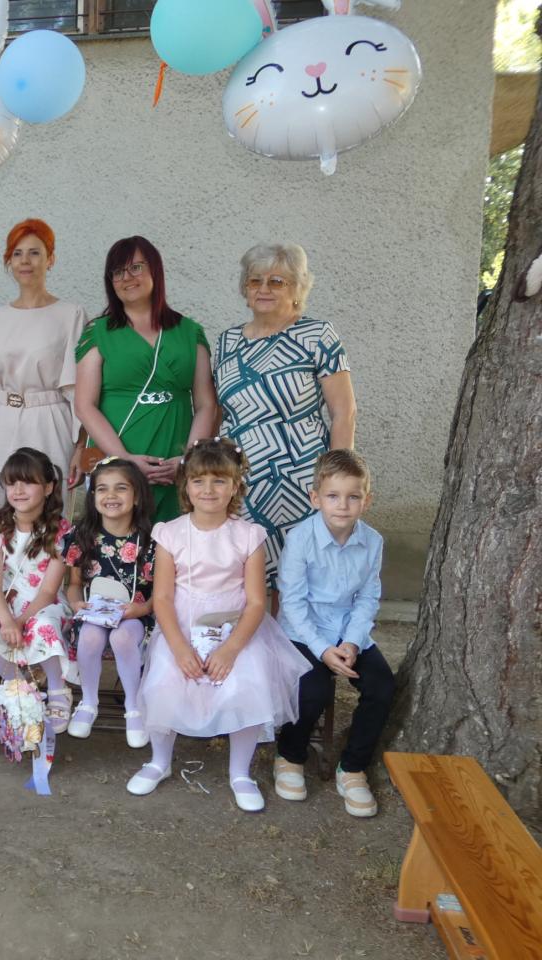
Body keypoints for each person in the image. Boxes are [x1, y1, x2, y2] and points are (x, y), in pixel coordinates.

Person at [129, 438, 309, 812]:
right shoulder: (170, 533)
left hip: (235, 629)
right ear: (186, 486)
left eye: (219, 481)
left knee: (247, 681)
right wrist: (179, 647)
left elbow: (257, 602)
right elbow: (162, 598)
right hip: (180, 626)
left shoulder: (249, 536)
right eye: (199, 481)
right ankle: (159, 761)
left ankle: (239, 772)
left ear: (235, 486)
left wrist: (230, 649)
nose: (208, 490)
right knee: (165, 678)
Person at [213, 243, 357, 587]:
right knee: (242, 578)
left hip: (301, 480)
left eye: (277, 281)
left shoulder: (317, 335)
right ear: (245, 289)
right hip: (239, 480)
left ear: (297, 289)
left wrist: (336, 481)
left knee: (298, 580)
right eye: (255, 281)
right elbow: (218, 412)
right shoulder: (227, 341)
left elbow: (344, 412)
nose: (264, 289)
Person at [273, 450, 393, 817]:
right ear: (315, 498)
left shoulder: (373, 541)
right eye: (333, 496)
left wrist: (352, 642)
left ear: (366, 501)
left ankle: (352, 767)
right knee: (313, 689)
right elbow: (293, 603)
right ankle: (290, 755)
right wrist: (324, 649)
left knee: (382, 686)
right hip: (304, 631)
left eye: (353, 496)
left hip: (348, 630)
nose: (343, 505)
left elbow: (368, 597)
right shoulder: (300, 538)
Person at [74, 236, 218, 523]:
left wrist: (189, 460)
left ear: (155, 270)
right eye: (118, 272)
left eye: (136, 267)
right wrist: (123, 459)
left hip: (174, 455)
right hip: (117, 454)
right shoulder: (98, 332)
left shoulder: (190, 331)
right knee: (118, 539)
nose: (127, 277)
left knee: (174, 540)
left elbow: (207, 404)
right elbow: (84, 405)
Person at [0, 447, 76, 733]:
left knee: (44, 626)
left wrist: (20, 621)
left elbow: (48, 590)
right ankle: (17, 683)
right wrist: (7, 620)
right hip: (5, 602)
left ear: (48, 487)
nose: (18, 490)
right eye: (11, 483)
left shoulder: (61, 531)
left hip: (42, 603)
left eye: (28, 482)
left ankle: (57, 687)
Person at [0, 218, 87, 519]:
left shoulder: (71, 315)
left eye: (35, 252)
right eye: (17, 253)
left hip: (50, 423)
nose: (25, 261)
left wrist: (82, 446)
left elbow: (81, 389)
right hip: (2, 426)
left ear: (50, 259)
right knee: (2, 521)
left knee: (52, 521)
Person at [62, 457, 156, 744]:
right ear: (93, 496)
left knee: (122, 637)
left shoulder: (152, 540)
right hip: (94, 614)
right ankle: (89, 701)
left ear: (137, 496)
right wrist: (77, 604)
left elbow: (161, 594)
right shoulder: (81, 536)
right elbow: (74, 585)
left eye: (121, 488)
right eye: (102, 489)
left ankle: (134, 706)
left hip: (137, 615)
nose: (111, 496)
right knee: (90, 635)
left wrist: (140, 609)